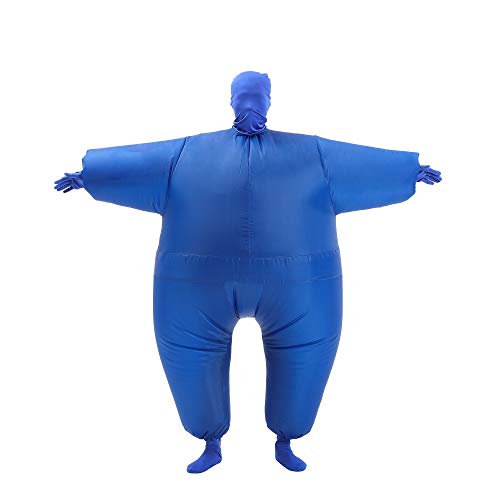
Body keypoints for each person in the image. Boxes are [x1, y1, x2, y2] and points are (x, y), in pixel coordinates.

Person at [55, 71, 441, 473]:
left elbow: (358, 165)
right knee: (192, 356)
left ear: (269, 101)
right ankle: (211, 440)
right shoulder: (187, 154)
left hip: (286, 284)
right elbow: (140, 164)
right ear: (232, 101)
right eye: (245, 97)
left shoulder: (309, 155)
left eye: (257, 97)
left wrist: (406, 171)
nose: (251, 106)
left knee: (304, 355)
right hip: (211, 284)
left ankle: (286, 438)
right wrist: (91, 176)